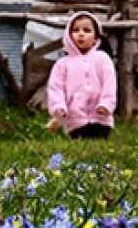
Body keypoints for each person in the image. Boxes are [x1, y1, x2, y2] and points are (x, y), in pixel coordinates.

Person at [47, 12, 117, 140]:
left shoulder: (102, 59)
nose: (81, 33)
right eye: (75, 30)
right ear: (68, 35)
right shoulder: (63, 64)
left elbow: (109, 83)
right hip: (74, 119)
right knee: (80, 145)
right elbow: (56, 88)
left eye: (87, 30)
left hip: (100, 117)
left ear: (96, 38)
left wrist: (107, 104)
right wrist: (58, 106)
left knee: (99, 145)